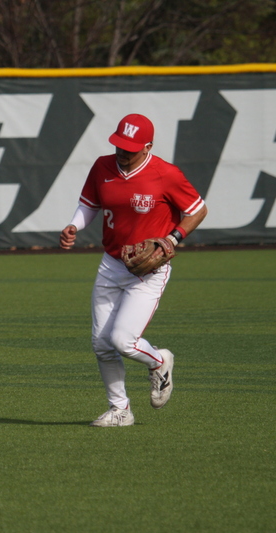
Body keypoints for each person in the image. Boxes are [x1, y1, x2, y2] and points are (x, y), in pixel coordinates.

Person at [59, 113, 208, 427]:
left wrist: (172, 238)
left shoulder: (165, 174)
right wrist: (75, 224)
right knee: (101, 344)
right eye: (119, 145)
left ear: (148, 146)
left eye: (130, 148)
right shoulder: (102, 166)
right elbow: (89, 203)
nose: (122, 152)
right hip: (111, 264)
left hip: (149, 271)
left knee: (123, 340)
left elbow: (197, 209)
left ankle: (159, 361)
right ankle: (120, 409)